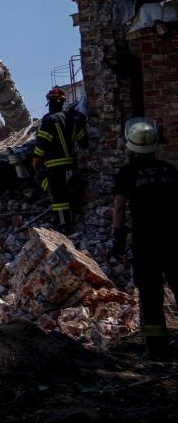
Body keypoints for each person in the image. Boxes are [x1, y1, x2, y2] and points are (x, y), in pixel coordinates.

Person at [112, 119, 178, 359]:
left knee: (151, 294)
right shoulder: (169, 170)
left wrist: (117, 238)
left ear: (132, 147)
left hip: (146, 243)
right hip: (173, 240)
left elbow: (119, 208)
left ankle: (157, 347)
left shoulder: (128, 173)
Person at [31, 86, 87, 230]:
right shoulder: (72, 119)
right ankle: (70, 216)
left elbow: (41, 143)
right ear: (62, 102)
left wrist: (36, 160)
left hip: (54, 166)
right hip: (71, 164)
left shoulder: (48, 119)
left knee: (58, 196)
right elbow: (83, 141)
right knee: (64, 191)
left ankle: (63, 225)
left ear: (49, 103)